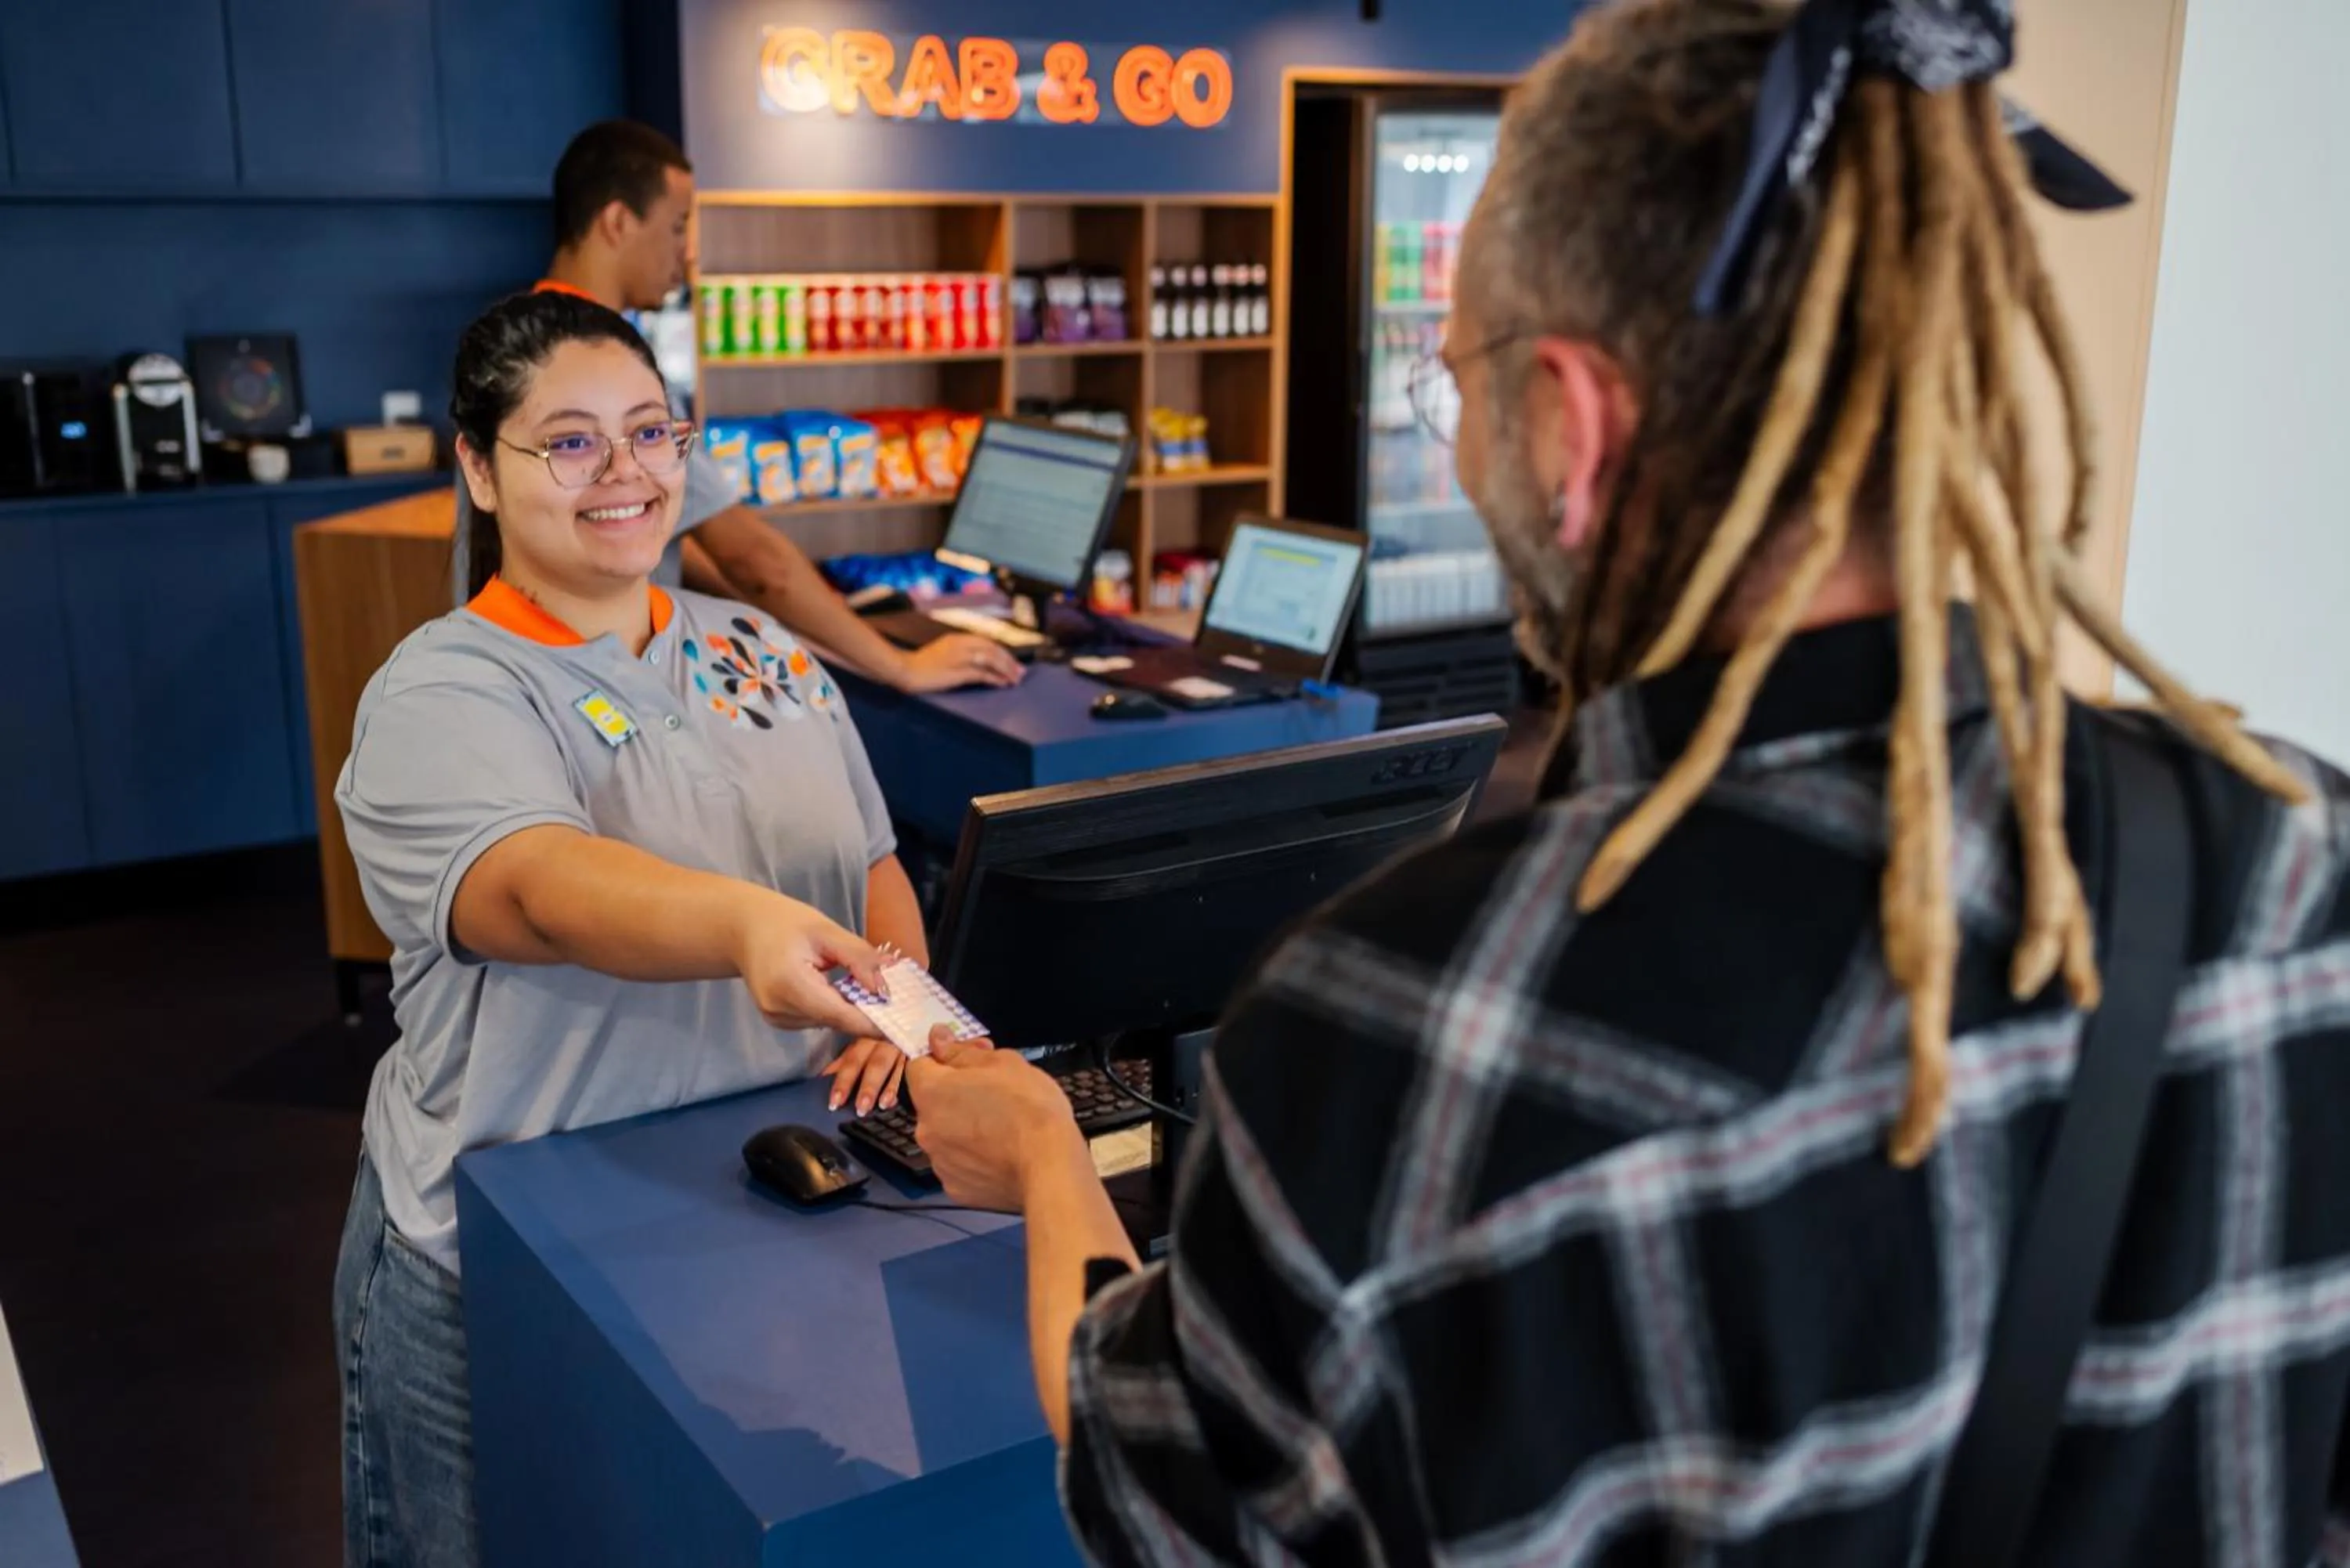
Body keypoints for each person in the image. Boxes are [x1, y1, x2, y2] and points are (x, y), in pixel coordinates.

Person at [906, 1, 2350, 1563]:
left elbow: (1165, 1509)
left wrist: (1050, 1151)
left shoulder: (1412, 1026)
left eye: (1453, 379)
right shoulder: (2302, 865)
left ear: (1574, 424)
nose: (1452, 437)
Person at [333, 290, 926, 1568]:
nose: (628, 473)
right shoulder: (445, 689)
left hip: (756, 1226)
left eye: (654, 434)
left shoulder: (762, 650)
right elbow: (539, 884)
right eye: (572, 442)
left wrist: (901, 999)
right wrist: (750, 924)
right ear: (481, 471)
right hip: (502, 1255)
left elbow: (870, 860)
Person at [467, 117, 1023, 695]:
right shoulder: (625, 374)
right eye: (678, 227)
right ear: (617, 222)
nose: (688, 253)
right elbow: (757, 562)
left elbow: (688, 541)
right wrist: (903, 667)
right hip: (612, 677)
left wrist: (761, 619)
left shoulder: (520, 352)